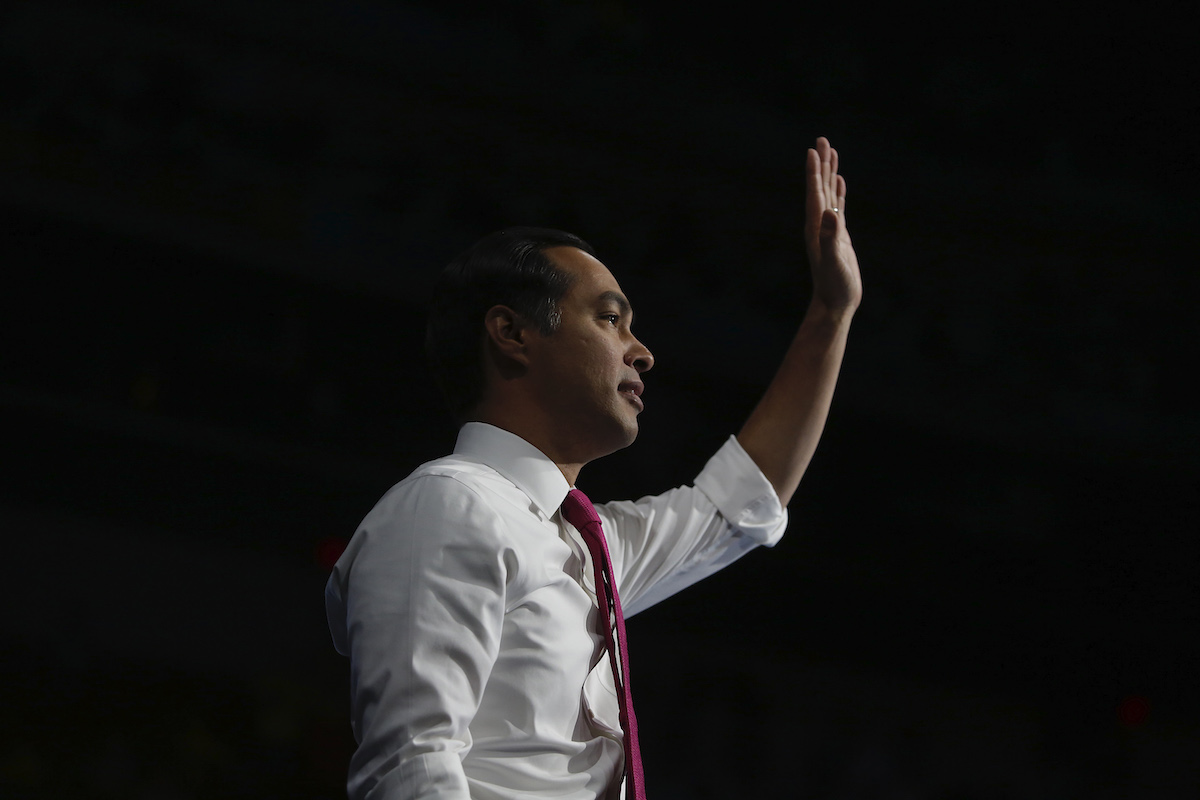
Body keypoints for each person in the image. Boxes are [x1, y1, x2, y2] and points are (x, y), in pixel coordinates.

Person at [325, 137, 862, 799]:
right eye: (611, 319)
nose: (642, 352)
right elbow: (408, 766)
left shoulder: (586, 547)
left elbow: (737, 506)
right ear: (512, 332)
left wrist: (830, 313)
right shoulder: (446, 506)